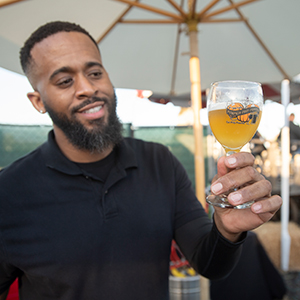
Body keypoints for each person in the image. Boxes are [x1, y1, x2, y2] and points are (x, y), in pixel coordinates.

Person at [0, 21, 282, 300]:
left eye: (95, 72)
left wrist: (226, 231)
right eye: (64, 81)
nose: (87, 88)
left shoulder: (160, 163)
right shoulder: (9, 191)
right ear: (38, 101)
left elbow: (209, 264)